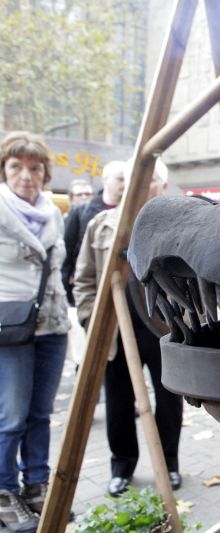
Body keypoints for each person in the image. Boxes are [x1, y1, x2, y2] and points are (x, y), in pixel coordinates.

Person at [73, 157, 183, 497]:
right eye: (138, 178)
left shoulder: (176, 225)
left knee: (170, 400)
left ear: (162, 186)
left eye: (151, 180)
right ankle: (121, 468)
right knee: (118, 403)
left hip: (163, 329)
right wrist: (92, 320)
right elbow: (83, 280)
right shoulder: (101, 225)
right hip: (115, 331)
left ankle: (169, 463)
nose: (143, 185)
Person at [0, 132, 71, 532]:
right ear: (4, 171)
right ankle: (4, 492)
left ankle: (36, 486)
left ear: (45, 173)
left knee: (41, 413)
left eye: (34, 167)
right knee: (11, 416)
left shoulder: (53, 212)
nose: (26, 176)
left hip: (51, 326)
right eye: (16, 167)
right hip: (10, 326)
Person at [61, 161, 126, 305]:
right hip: (88, 290)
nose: (125, 183)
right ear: (105, 180)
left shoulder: (131, 211)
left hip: (121, 291)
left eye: (127, 179)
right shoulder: (81, 211)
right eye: (120, 179)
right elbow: (67, 250)